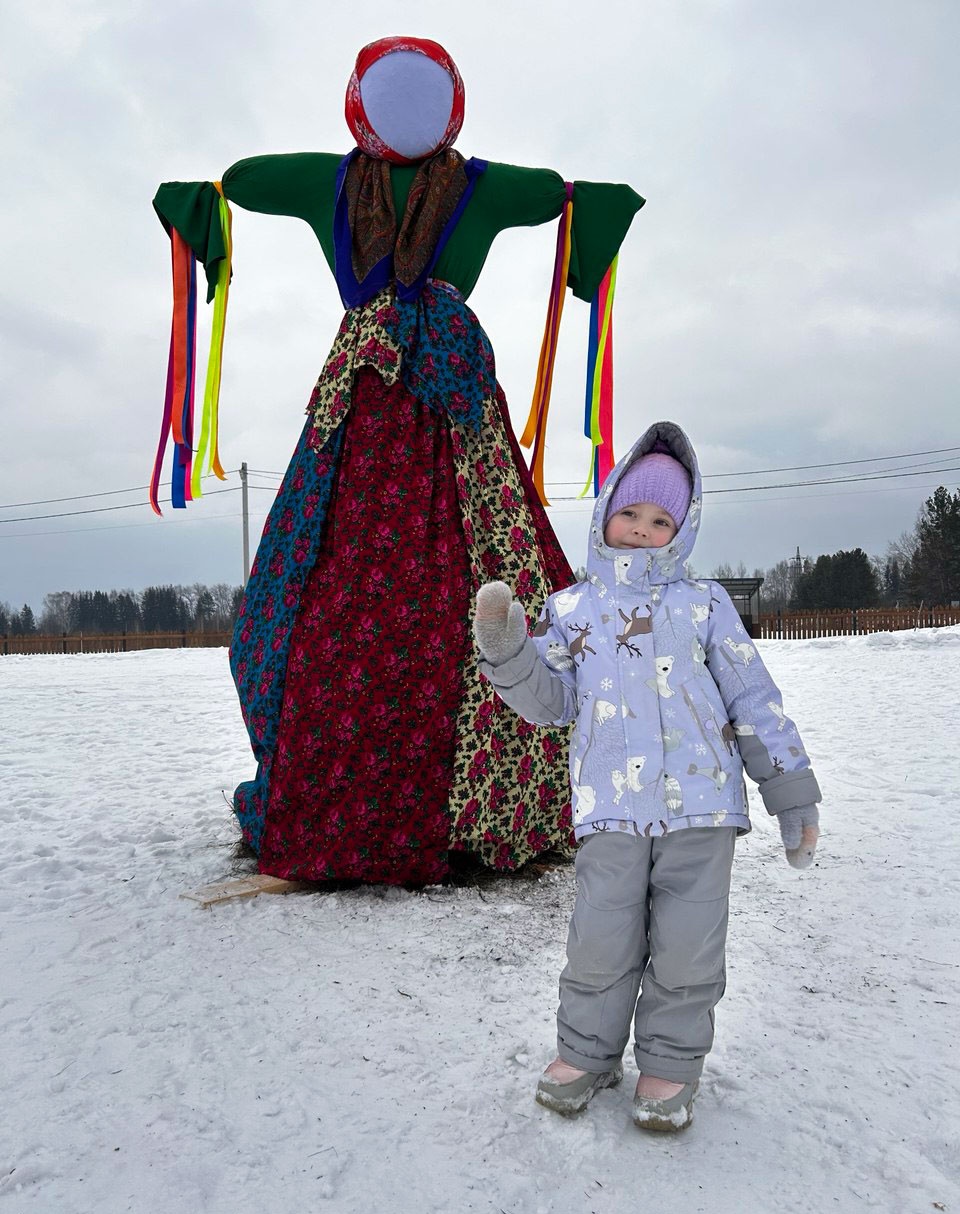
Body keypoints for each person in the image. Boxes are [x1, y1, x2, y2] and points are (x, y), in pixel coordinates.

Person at [152, 37, 644, 885]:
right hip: (447, 399)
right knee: (490, 563)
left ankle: (356, 795)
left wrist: (207, 196)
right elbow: (561, 195)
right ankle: (480, 799)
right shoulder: (482, 186)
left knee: (319, 585)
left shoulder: (330, 181)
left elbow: (245, 178)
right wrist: (593, 205)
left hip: (371, 394)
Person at [473, 421, 821, 1130]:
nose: (642, 529)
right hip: (611, 808)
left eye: (662, 520)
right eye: (630, 512)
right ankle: (586, 1052)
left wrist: (789, 792)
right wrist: (509, 655)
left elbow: (753, 699)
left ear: (683, 530)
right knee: (600, 938)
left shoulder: (706, 605)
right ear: (605, 514)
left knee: (689, 944)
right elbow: (552, 702)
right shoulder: (571, 611)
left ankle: (670, 1063)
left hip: (703, 810)